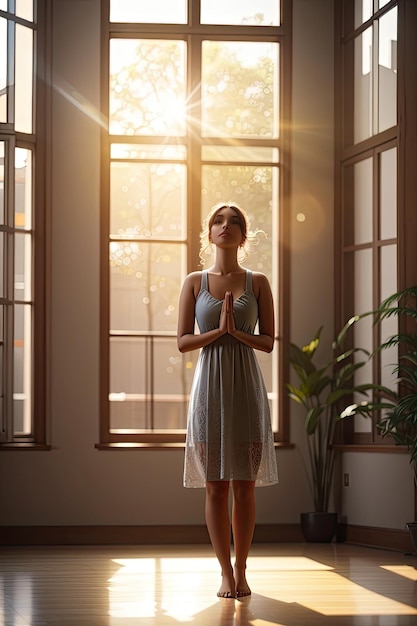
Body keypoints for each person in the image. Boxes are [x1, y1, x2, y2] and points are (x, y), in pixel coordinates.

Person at [177, 202, 278, 599]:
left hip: (246, 389)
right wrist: (218, 331)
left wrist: (236, 333)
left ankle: (242, 568)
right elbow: (183, 341)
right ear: (209, 233)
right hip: (209, 389)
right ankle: (223, 571)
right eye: (219, 221)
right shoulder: (194, 281)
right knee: (215, 487)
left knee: (245, 488)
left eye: (235, 221)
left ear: (243, 235)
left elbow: (269, 342)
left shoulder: (259, 282)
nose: (226, 226)